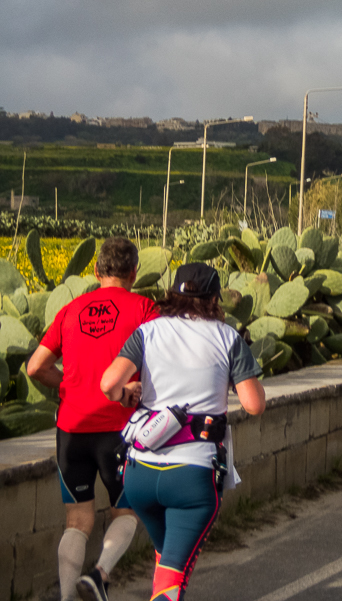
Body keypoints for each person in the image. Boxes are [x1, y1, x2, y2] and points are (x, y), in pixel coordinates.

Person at [99, 263, 266, 601]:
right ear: (215, 298)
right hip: (193, 476)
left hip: (140, 474)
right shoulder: (227, 337)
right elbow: (254, 404)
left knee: (166, 563)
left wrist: (126, 394)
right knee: (171, 586)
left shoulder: (148, 332)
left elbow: (108, 384)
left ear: (173, 294)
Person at [26, 236, 159, 601]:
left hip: (71, 429)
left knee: (78, 522)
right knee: (127, 512)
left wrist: (69, 384)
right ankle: (99, 576)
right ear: (134, 272)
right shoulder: (145, 308)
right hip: (120, 430)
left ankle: (68, 596)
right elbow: (163, 366)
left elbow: (35, 366)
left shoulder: (71, 309)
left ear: (97, 270)